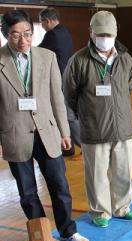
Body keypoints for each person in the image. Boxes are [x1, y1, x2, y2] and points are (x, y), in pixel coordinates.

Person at [0, 9, 89, 241]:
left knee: (59, 185)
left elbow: (56, 98)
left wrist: (65, 131)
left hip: (47, 132)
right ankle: (39, 237)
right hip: (14, 134)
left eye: (28, 34)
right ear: (6, 34)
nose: (23, 41)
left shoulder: (46, 57)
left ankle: (68, 231)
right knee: (27, 192)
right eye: (15, 35)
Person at [63, 11, 132, 228]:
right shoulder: (78, 61)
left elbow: (129, 87)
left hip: (124, 127)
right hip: (94, 129)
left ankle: (122, 207)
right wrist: (84, 118)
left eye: (109, 34)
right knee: (97, 176)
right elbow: (69, 94)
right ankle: (100, 211)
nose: (105, 38)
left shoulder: (126, 58)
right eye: (100, 34)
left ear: (115, 34)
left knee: (123, 172)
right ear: (90, 32)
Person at [38, 7, 80, 159]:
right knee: (65, 114)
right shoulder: (64, 31)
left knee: (66, 115)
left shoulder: (52, 34)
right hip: (68, 77)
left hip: (60, 79)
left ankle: (84, 145)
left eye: (42, 23)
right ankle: (68, 148)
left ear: (47, 21)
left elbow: (37, 52)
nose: (42, 26)